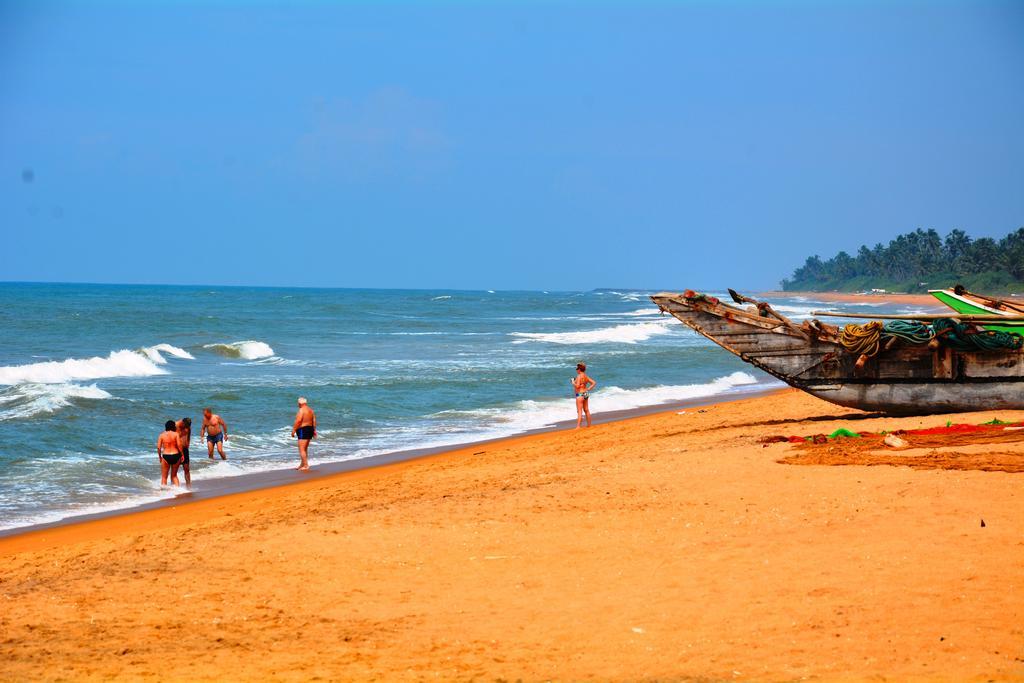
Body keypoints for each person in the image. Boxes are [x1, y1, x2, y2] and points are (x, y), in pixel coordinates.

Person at [290, 397, 317, 471]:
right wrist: (314, 430)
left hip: (303, 430)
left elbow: (298, 421)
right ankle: (302, 464)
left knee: (302, 449)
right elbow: (314, 420)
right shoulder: (311, 410)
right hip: (310, 429)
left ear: (299, 403)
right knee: (305, 449)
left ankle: (306, 465)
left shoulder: (301, 410)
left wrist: (293, 430)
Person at [157, 420, 184, 487]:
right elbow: (179, 445)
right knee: (174, 476)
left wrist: (160, 457)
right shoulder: (176, 434)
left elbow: (158, 447)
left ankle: (164, 493)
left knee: (164, 477)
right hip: (176, 455)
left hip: (166, 456)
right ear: (173, 427)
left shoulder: (161, 435)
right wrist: (182, 454)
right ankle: (178, 491)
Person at [572, 362, 597, 429]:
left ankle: (578, 426)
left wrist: (573, 382)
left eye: (577, 368)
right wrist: (589, 388)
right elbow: (594, 383)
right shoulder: (585, 376)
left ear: (579, 369)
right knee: (586, 409)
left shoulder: (579, 376)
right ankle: (589, 425)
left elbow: (577, 386)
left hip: (580, 394)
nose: (576, 370)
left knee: (579, 411)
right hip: (585, 393)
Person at [176, 417, 192, 489]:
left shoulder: (188, 427)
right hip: (177, 450)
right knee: (174, 470)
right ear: (182, 423)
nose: (187, 428)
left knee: (186, 469)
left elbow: (188, 436)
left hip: (185, 450)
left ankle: (188, 487)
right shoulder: (176, 425)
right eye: (186, 426)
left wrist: (187, 444)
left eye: (188, 426)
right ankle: (174, 488)